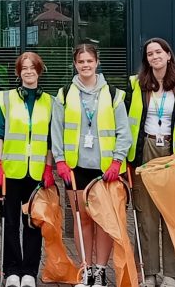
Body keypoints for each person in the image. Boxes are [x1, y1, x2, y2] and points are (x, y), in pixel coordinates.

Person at [51, 43, 132, 287]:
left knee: (103, 220)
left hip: (105, 169)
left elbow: (123, 132)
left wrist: (118, 161)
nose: (85, 65)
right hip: (75, 168)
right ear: (75, 64)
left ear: (97, 63)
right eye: (81, 61)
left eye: (89, 61)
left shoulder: (114, 94)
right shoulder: (65, 94)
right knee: (82, 219)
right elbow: (56, 130)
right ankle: (85, 269)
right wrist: (60, 160)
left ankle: (100, 271)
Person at [125, 38, 175, 287]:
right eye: (149, 54)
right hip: (144, 151)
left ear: (168, 55)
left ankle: (171, 274)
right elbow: (127, 122)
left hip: (173, 154)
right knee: (145, 215)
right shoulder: (137, 85)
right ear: (146, 60)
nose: (154, 56)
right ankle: (148, 272)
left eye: (159, 52)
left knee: (172, 215)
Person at [0, 52, 54, 287]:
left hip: (36, 173)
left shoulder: (50, 101)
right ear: (18, 73)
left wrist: (49, 168)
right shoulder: (6, 99)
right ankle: (12, 271)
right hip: (10, 171)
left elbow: (50, 139)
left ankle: (29, 270)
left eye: (32, 68)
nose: (28, 71)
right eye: (23, 68)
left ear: (39, 71)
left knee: (33, 222)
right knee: (10, 222)